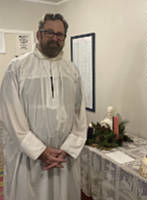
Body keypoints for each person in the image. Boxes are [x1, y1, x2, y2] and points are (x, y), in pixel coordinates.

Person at [0, 13, 87, 200]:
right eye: (49, 32)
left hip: (63, 158)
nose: (55, 38)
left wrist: (68, 147)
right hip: (28, 160)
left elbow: (79, 113)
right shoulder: (17, 68)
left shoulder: (71, 70)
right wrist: (39, 151)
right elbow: (10, 115)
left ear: (64, 39)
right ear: (38, 35)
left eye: (60, 35)